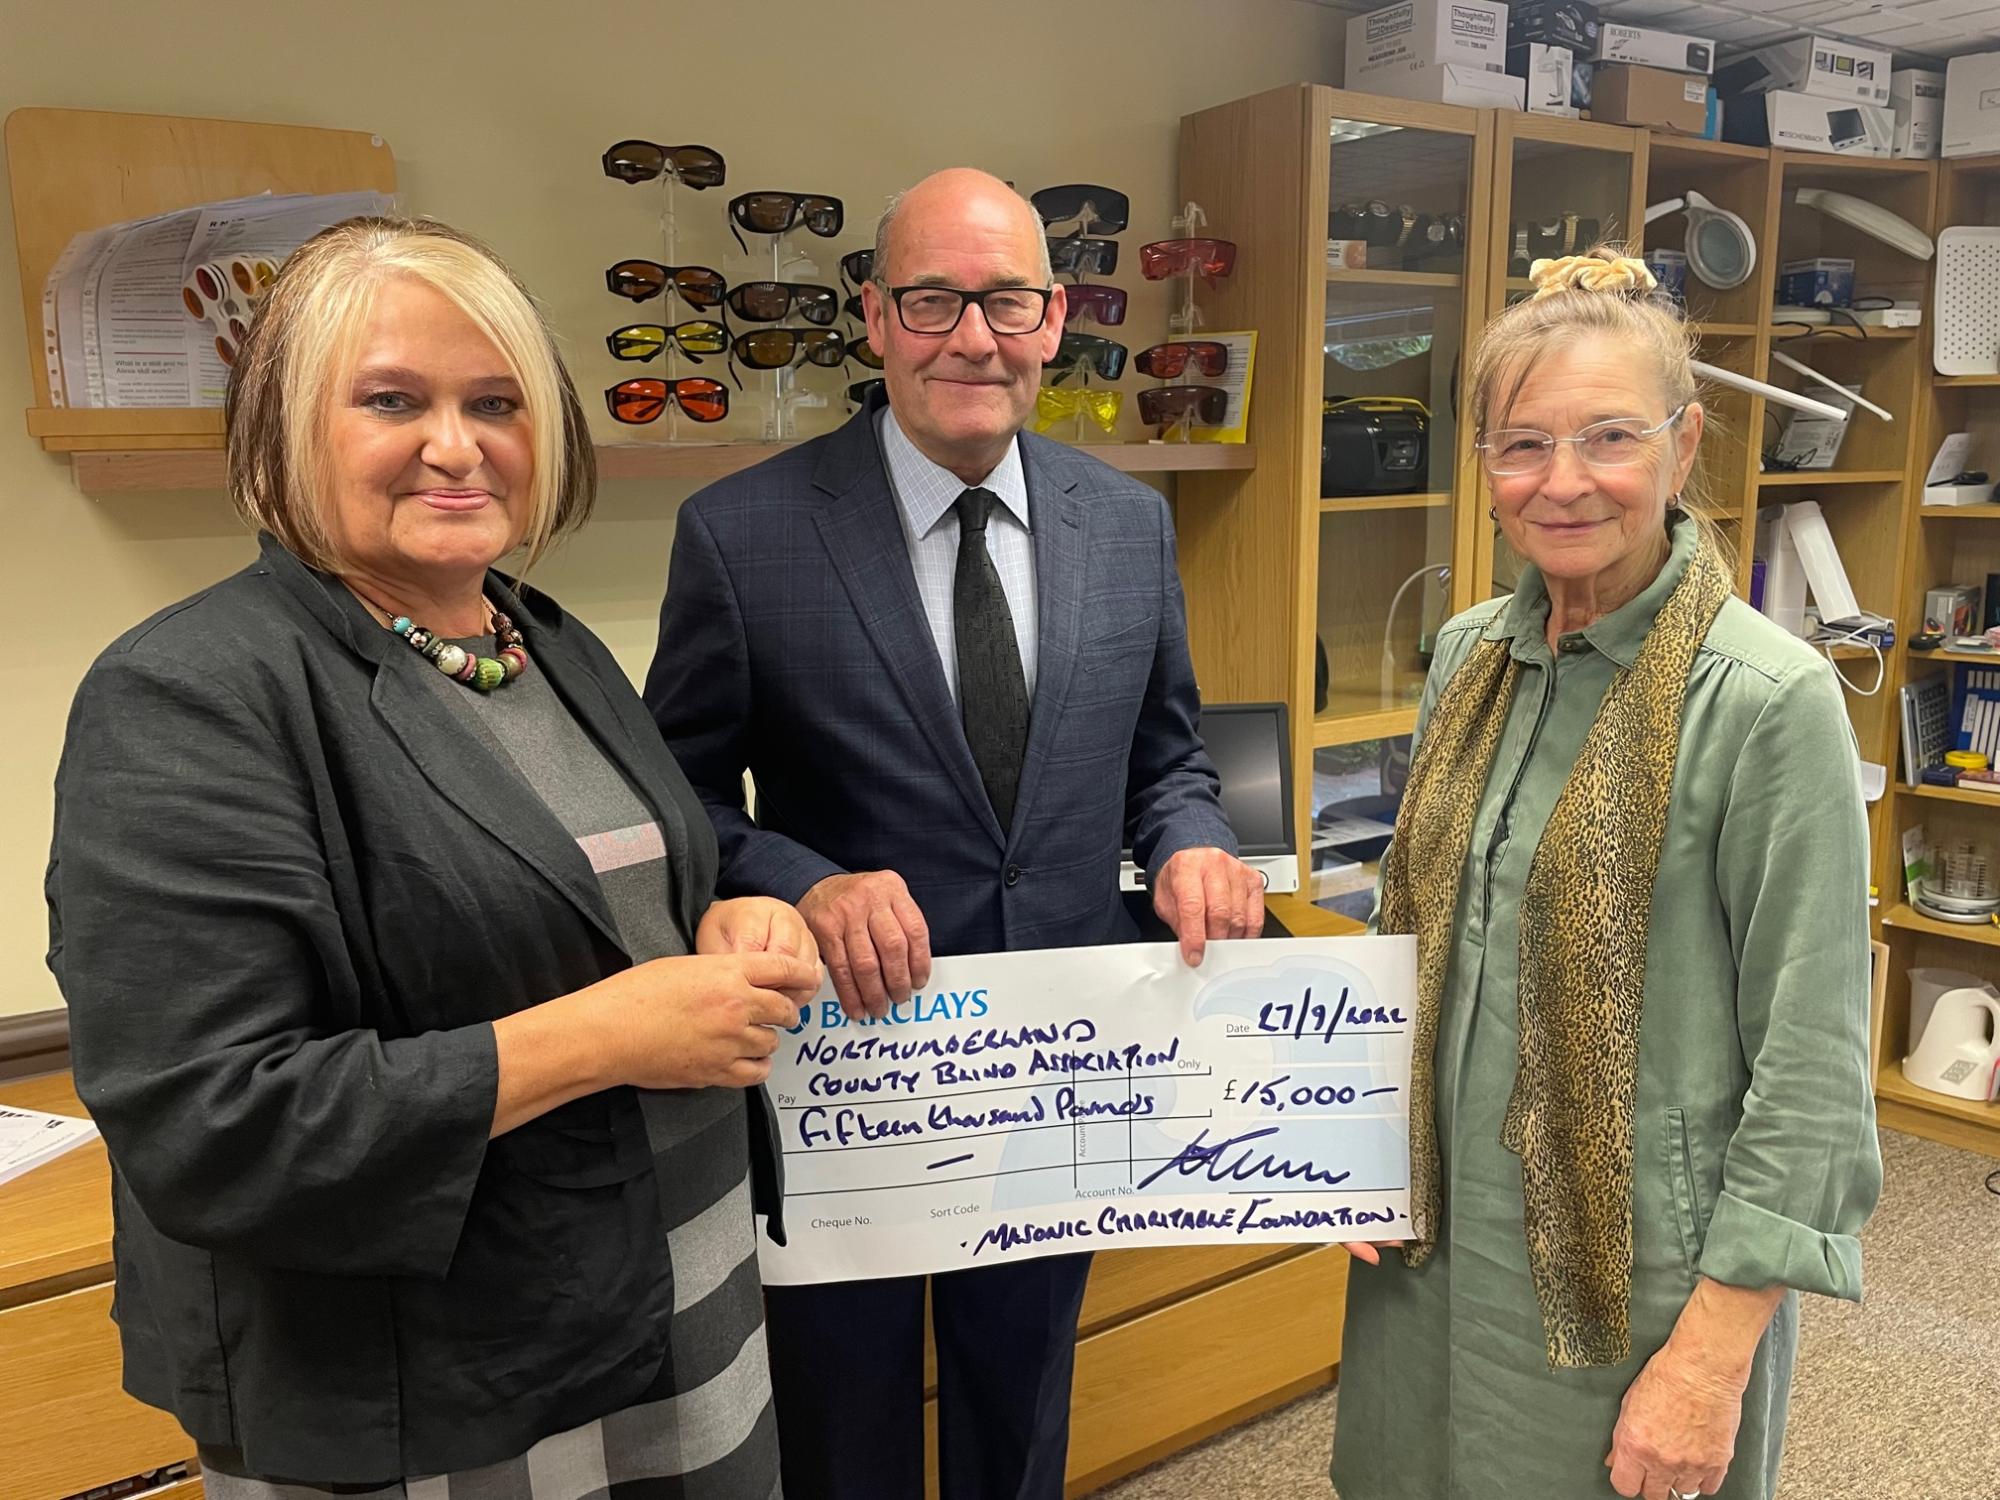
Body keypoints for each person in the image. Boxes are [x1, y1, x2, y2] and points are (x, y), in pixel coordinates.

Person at [46, 216, 822, 1496]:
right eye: (392, 400)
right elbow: (214, 1121)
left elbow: (590, 902)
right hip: (439, 1368)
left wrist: (723, 919)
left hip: (672, 1288)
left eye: (496, 402)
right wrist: (615, 1034)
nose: (456, 445)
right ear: (288, 427)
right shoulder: (191, 692)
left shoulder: (541, 642)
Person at [645, 167, 1268, 1500]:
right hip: (850, 1079)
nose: (971, 336)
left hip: (1059, 1066)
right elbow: (675, 805)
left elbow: (1168, 759)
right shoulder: (743, 537)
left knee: (1021, 1407)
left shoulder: (1128, 525)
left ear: (1054, 321)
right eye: (933, 299)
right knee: (843, 1422)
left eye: (1006, 301)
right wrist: (805, 882)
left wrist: (1194, 840)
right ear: (874, 317)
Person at [1331, 248, 1881, 1500]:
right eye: (1520, 445)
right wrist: (1343, 1142)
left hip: (1632, 1286)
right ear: (1481, 469)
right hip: (1425, 1262)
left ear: (1683, 449)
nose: (1561, 482)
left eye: (1608, 438)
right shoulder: (1471, 655)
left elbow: (1809, 1071)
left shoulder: (1763, 701)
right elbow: (1405, 945)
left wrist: (1708, 1362)